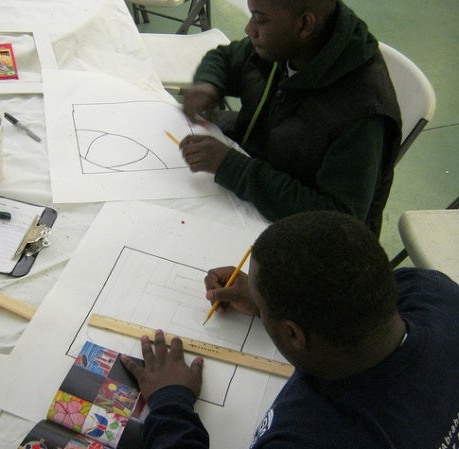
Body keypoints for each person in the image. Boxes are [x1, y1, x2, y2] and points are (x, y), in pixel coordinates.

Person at [120, 210, 459, 448]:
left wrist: (170, 403)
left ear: (294, 335)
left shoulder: (307, 437)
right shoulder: (433, 292)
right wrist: (271, 301)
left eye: (260, 299)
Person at [179, 0, 401, 236]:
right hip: (257, 180)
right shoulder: (285, 47)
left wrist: (235, 169)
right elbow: (225, 57)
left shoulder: (363, 112)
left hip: (299, 235)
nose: (249, 29)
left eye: (260, 19)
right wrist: (208, 86)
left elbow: (336, 222)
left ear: (304, 25)